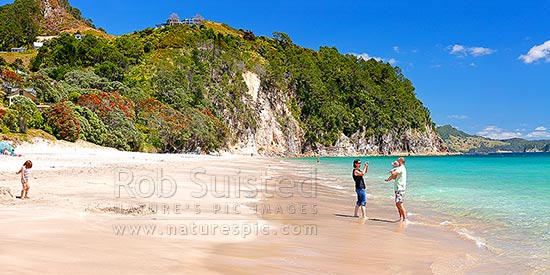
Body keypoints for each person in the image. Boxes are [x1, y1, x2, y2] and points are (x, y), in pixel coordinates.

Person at [385, 157, 407, 222]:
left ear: (400, 161)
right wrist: (388, 179)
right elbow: (394, 176)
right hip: (398, 188)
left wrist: (392, 171)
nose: (397, 161)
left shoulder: (401, 168)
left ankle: (405, 219)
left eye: (398, 160)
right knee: (397, 204)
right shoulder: (400, 168)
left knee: (400, 204)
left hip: (400, 188)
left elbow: (394, 174)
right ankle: (401, 218)